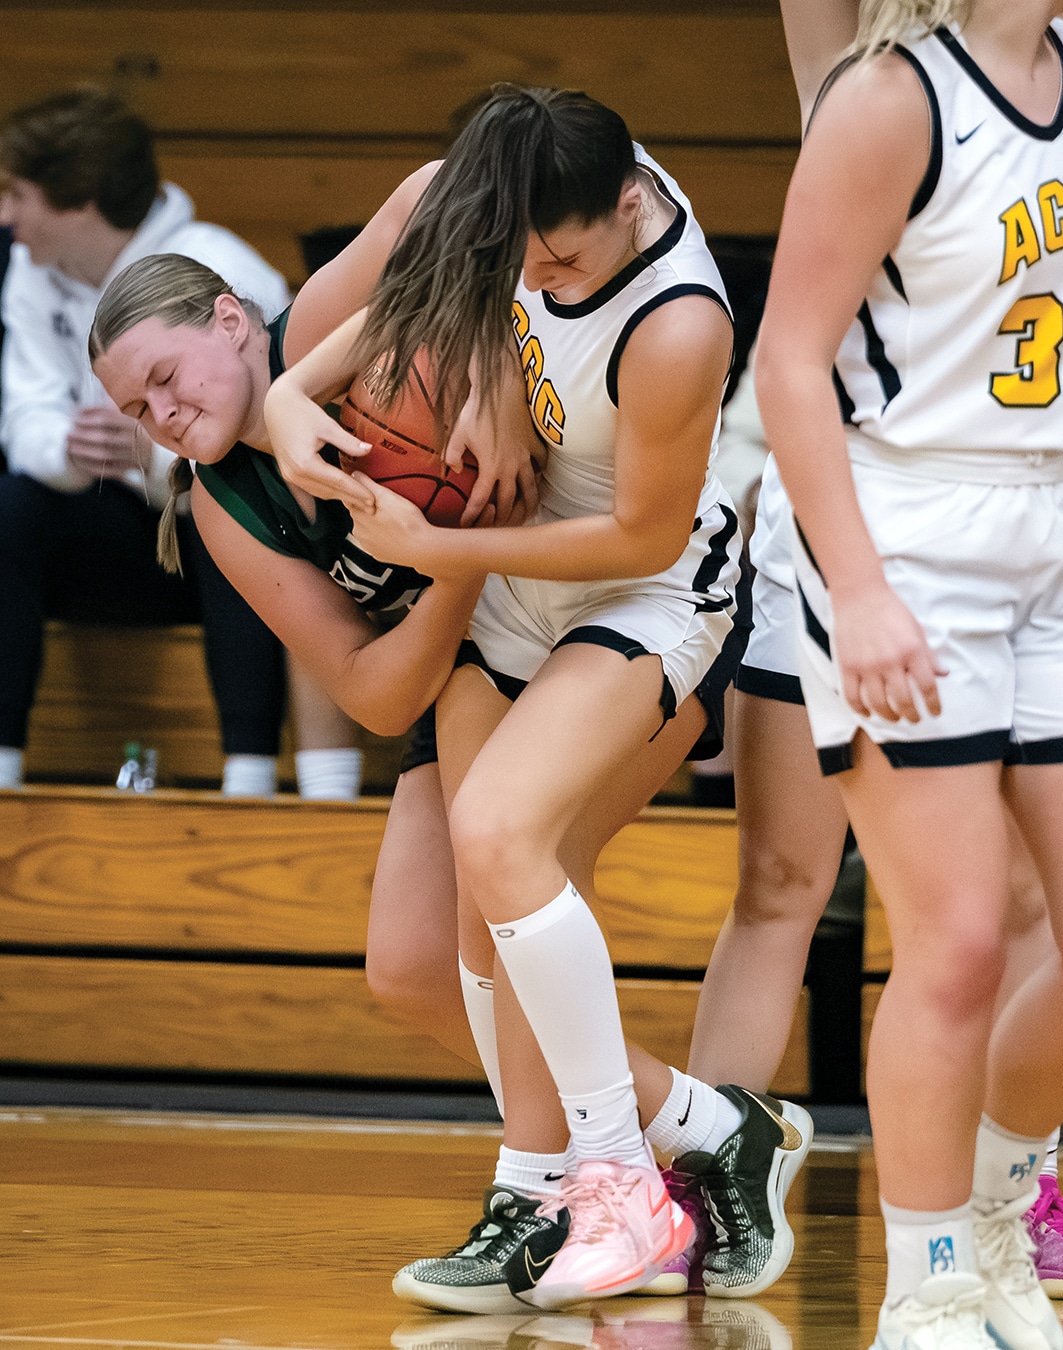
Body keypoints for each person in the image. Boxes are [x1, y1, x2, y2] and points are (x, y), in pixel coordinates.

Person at [263, 84, 813, 1311]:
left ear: (631, 201)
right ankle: (561, 1183)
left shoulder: (677, 324)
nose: (540, 278)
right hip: (513, 569)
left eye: (562, 262)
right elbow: (349, 344)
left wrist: (437, 547)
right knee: (487, 910)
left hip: (641, 589)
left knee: (504, 830)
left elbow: (639, 534)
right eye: (525, 260)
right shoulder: (520, 187)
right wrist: (295, 405)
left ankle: (623, 1185)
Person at [754, 3, 1063, 1348]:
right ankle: (928, 1281)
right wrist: (860, 587)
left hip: (1056, 522)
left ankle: (1000, 1203)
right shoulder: (891, 96)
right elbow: (788, 360)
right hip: (908, 531)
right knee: (954, 940)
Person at [0, 86, 359, 798]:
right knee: (11, 506)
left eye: (17, 193)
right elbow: (23, 418)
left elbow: (265, 418)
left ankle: (250, 775)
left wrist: (151, 451)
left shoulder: (215, 264)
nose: (5, 216)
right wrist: (68, 448)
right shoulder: (31, 276)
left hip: (234, 516)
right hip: (114, 524)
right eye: (140, 401)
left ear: (78, 199)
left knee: (223, 495)